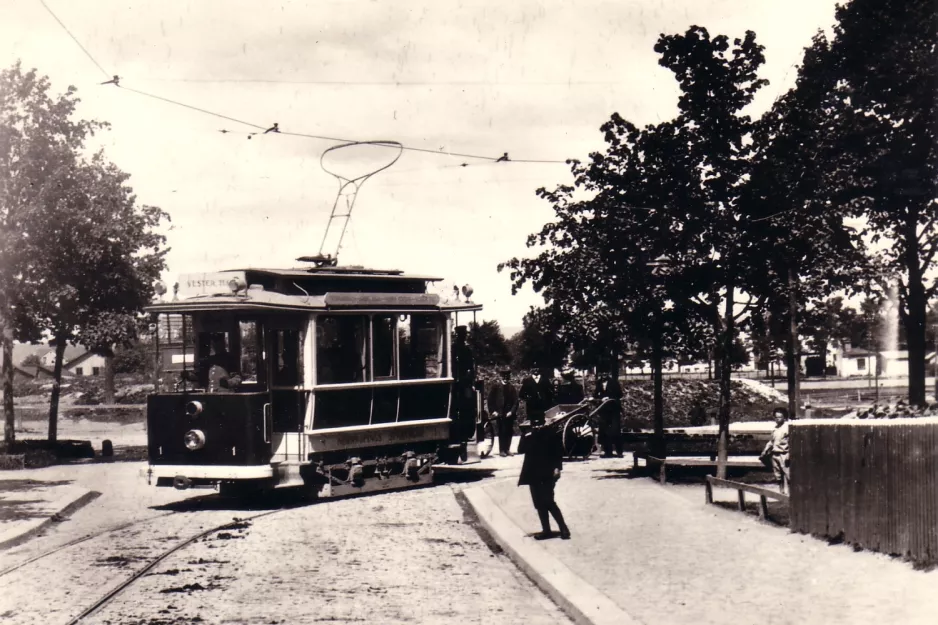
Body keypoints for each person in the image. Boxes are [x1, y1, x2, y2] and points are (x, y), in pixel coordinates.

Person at [518, 421, 570, 540]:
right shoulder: (529, 434)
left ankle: (563, 528)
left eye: (539, 422)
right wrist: (524, 435)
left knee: (548, 501)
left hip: (547, 473)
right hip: (533, 473)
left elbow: (558, 453)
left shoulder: (551, 433)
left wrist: (557, 468)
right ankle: (546, 530)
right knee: (538, 503)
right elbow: (521, 449)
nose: (537, 426)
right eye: (535, 423)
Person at [487, 369, 519, 456]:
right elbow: (490, 400)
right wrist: (493, 411)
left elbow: (516, 401)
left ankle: (507, 449)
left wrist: (511, 412)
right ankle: (502, 450)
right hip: (499, 413)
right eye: (504, 377)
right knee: (501, 431)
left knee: (509, 431)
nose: (505, 379)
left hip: (509, 414)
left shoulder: (511, 387)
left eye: (507, 377)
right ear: (501, 377)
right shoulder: (496, 387)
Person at [761, 407, 790, 493]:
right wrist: (765, 450)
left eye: (780, 417)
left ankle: (790, 493)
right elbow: (772, 441)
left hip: (784, 453)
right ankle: (781, 492)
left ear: (784, 417)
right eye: (776, 417)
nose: (777, 419)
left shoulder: (787, 428)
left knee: (788, 474)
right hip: (775, 454)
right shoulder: (775, 428)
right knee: (778, 475)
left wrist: (789, 454)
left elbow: (792, 441)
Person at [597, 371, 623, 458]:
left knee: (615, 430)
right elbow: (596, 394)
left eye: (605, 373)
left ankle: (619, 451)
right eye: (602, 373)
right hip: (604, 409)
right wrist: (599, 398)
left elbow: (620, 394)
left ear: (608, 374)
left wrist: (610, 397)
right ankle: (607, 452)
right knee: (604, 430)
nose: (603, 375)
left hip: (613, 409)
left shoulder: (614, 382)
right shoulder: (599, 383)